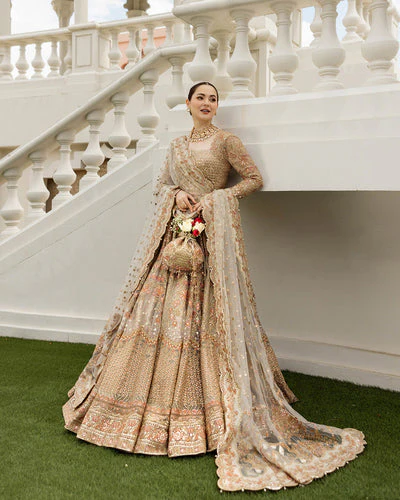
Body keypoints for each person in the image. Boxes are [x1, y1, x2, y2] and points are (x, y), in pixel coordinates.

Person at [63, 82, 365, 492]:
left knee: (208, 315)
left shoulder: (226, 142)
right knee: (155, 313)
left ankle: (211, 409)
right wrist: (177, 195)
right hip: (177, 239)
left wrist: (216, 198)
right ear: (188, 104)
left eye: (213, 98)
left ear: (216, 106)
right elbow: (160, 186)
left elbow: (252, 179)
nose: (207, 103)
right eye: (200, 97)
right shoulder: (176, 146)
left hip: (211, 242)